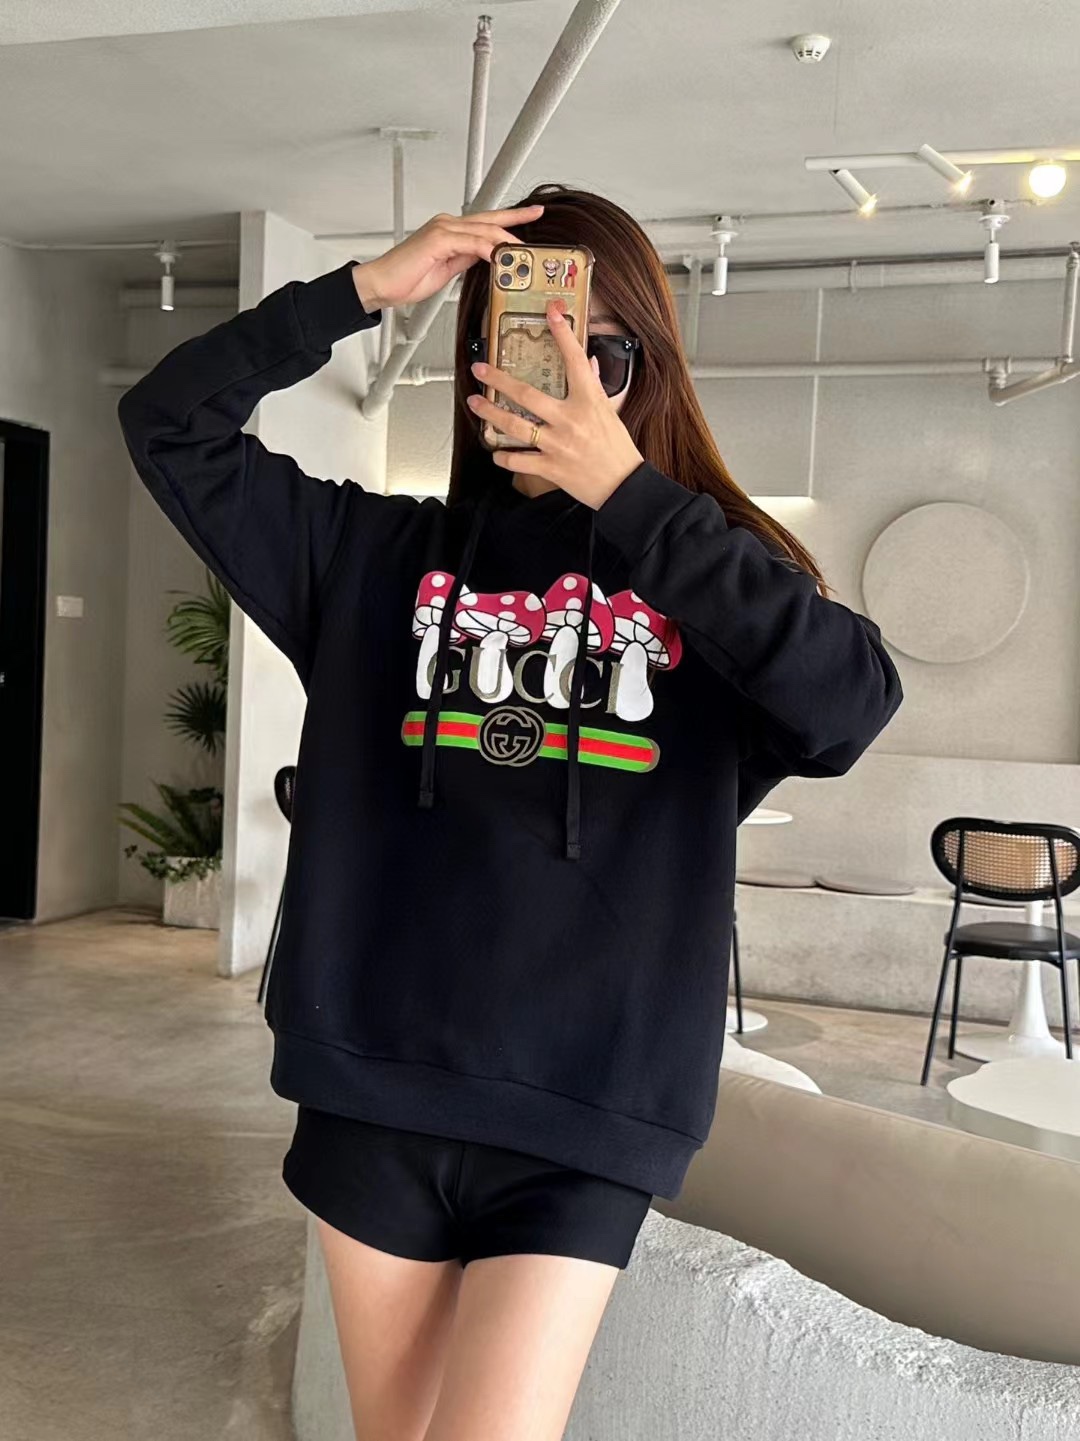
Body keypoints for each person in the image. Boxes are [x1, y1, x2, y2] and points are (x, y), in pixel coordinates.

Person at [117, 181, 903, 1441]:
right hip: (376, 1082)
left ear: (645, 365)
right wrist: (365, 291)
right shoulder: (374, 559)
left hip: (587, 1107)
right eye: (519, 342)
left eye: (598, 350)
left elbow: (851, 703)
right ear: (476, 369)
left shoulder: (709, 575)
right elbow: (166, 423)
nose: (559, 379)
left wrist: (630, 496)